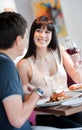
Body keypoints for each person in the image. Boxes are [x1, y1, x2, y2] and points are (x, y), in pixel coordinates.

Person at [17, 15, 82, 128]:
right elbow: (25, 98)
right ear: (32, 33)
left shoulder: (58, 51)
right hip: (47, 116)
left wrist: (77, 66)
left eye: (47, 32)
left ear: (52, 35)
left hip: (70, 108)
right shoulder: (24, 64)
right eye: (39, 31)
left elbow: (78, 80)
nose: (43, 35)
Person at [0, 11, 59, 130]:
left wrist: (20, 90)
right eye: (26, 36)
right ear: (18, 40)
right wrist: (38, 92)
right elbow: (17, 120)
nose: (28, 40)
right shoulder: (6, 66)